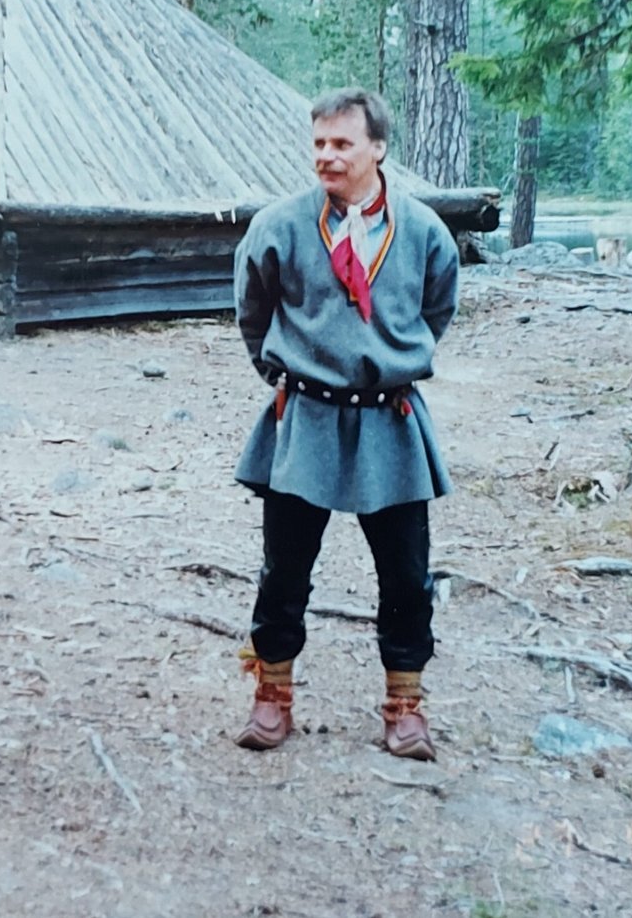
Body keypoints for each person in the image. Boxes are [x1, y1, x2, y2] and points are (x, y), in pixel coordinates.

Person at [230, 87, 459, 761]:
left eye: (342, 144)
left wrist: (385, 361)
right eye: (320, 144)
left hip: (390, 423)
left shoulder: (423, 232)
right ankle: (272, 696)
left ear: (378, 149)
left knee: (406, 573)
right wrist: (289, 375)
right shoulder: (278, 226)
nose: (327, 157)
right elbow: (253, 314)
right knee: (285, 569)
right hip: (304, 421)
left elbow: (435, 311)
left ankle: (405, 706)